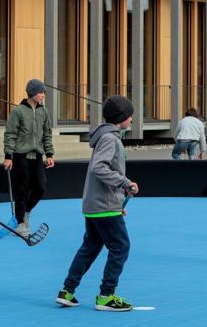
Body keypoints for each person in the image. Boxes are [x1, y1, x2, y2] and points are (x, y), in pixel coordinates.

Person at [56, 95, 139, 312]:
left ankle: (67, 291)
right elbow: (100, 168)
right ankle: (106, 295)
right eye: (130, 115)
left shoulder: (104, 137)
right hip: (104, 206)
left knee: (90, 247)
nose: (132, 119)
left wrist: (119, 199)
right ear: (122, 117)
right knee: (121, 247)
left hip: (95, 205)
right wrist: (125, 183)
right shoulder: (111, 139)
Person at [3, 78, 55, 236]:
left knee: (40, 187)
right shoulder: (18, 111)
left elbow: (47, 134)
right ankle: (20, 224)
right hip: (20, 156)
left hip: (37, 156)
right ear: (31, 93)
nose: (43, 95)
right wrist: (8, 156)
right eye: (40, 92)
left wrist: (49, 153)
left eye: (43, 92)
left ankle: (26, 211)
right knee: (22, 189)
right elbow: (10, 134)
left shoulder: (44, 111)